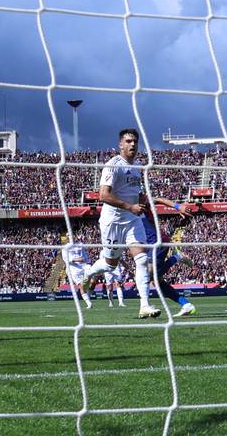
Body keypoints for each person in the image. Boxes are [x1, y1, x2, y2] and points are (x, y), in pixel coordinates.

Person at [80, 129, 161, 319]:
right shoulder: (112, 165)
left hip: (132, 220)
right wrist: (130, 206)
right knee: (110, 266)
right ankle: (89, 273)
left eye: (135, 141)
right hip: (113, 222)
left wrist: (141, 199)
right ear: (120, 145)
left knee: (142, 260)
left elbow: (135, 191)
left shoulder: (137, 167)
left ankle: (144, 305)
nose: (132, 144)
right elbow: (103, 195)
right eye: (128, 141)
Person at [139, 195, 197, 317]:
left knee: (149, 275)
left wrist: (178, 206)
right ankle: (186, 305)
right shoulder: (129, 205)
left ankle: (176, 257)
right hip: (151, 243)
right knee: (157, 281)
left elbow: (158, 199)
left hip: (157, 241)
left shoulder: (140, 203)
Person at [59, 235, 93, 309]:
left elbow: (85, 255)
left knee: (93, 280)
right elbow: (66, 259)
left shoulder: (80, 244)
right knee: (81, 286)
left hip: (84, 265)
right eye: (69, 236)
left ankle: (88, 296)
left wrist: (88, 261)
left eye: (72, 235)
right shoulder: (65, 248)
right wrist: (76, 260)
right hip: (74, 269)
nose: (71, 237)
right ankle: (89, 303)